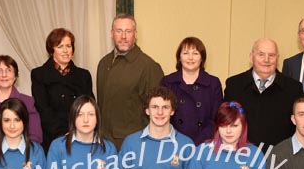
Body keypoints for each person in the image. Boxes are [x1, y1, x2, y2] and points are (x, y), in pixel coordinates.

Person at [97, 14, 164, 149]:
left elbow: (157, 112)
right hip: (104, 142)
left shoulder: (149, 66)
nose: (123, 36)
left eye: (128, 31)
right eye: (119, 31)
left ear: (135, 34)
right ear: (111, 33)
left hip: (134, 144)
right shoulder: (103, 63)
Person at [224, 38, 303, 148]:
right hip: (241, 155)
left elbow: (298, 127)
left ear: (277, 58)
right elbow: (226, 122)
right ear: (251, 57)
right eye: (261, 54)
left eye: (271, 55)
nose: (266, 60)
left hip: (279, 157)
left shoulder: (294, 88)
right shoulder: (234, 85)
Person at [31, 28, 94, 152]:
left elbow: (90, 107)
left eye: (68, 46)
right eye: (60, 46)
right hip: (52, 139)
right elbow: (43, 109)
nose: (65, 51)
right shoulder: (39, 74)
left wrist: (77, 133)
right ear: (51, 50)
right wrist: (62, 134)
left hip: (81, 136)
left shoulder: (84, 75)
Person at [160, 36, 223, 145]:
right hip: (173, 143)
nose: (190, 58)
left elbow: (215, 119)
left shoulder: (213, 83)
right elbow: (162, 116)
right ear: (179, 57)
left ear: (202, 58)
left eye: (195, 53)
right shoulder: (167, 82)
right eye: (185, 53)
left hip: (204, 145)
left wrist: (197, 143)